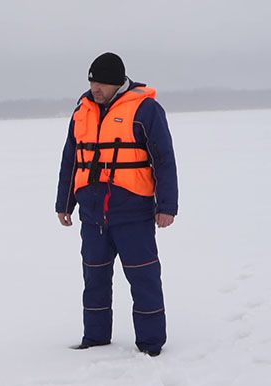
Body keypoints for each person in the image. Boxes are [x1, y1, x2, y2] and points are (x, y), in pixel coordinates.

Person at [55, 52, 178, 356]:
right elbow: (71, 159)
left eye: (101, 83)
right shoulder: (82, 110)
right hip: (93, 214)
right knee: (94, 278)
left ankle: (150, 345)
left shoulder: (146, 110)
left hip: (133, 211)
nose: (95, 88)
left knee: (143, 277)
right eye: (92, 81)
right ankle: (95, 340)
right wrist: (64, 203)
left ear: (117, 83)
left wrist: (167, 205)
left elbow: (164, 160)